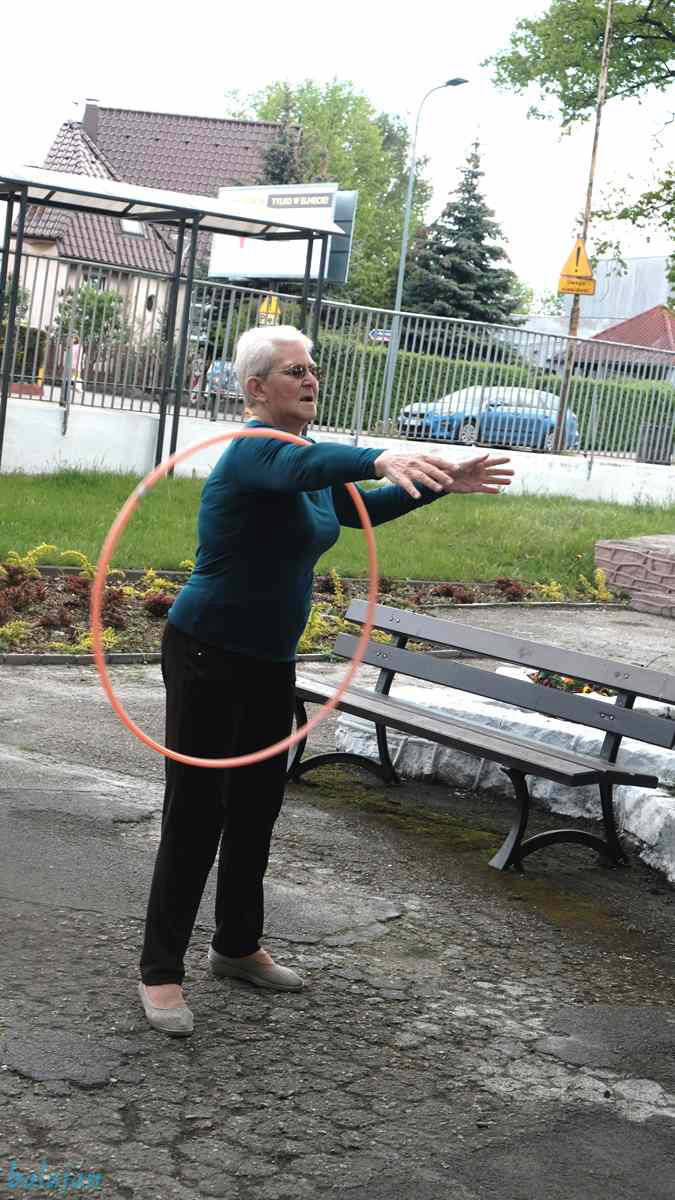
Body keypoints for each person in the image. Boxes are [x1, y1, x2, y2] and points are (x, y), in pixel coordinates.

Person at [138, 325, 513, 1036]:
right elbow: (306, 467)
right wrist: (378, 454)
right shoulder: (254, 450)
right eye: (294, 371)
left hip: (269, 660)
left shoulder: (304, 462)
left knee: (256, 807)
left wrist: (439, 484)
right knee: (196, 813)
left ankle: (236, 946)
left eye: (313, 369)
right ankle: (160, 971)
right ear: (256, 389)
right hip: (206, 652)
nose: (311, 379)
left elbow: (356, 508)